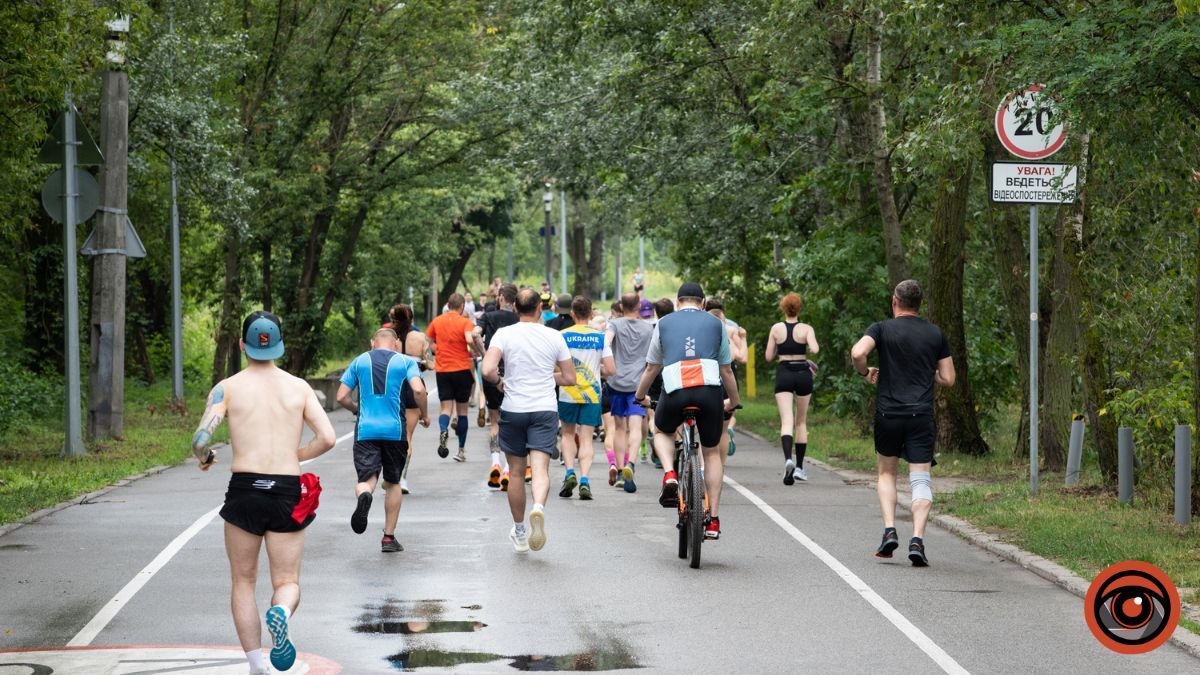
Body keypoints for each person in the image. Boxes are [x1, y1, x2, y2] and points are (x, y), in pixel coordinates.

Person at [190, 310, 336, 675]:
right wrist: (295, 455)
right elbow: (328, 438)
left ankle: (257, 665)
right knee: (286, 581)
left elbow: (200, 440)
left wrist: (206, 457)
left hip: (245, 490)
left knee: (243, 580)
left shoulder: (227, 388)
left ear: (243, 345)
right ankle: (281, 611)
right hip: (286, 488)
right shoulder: (299, 387)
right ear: (279, 346)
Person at [850, 279, 955, 567]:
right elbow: (948, 378)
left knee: (886, 473)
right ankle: (917, 540)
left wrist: (865, 372)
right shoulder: (935, 333)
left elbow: (858, 353)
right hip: (920, 415)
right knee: (920, 479)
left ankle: (889, 530)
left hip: (888, 414)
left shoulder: (881, 329)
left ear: (895, 301)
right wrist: (929, 373)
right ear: (919, 304)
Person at [635, 283, 739, 540]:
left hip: (675, 390)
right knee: (711, 452)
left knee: (662, 430)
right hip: (709, 391)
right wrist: (734, 401)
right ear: (703, 303)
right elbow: (726, 370)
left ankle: (670, 473)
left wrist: (639, 396)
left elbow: (652, 368)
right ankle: (713, 520)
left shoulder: (663, 324)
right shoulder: (716, 324)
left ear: (678, 302)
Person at [481, 288, 577, 552]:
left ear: (515, 308)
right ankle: (538, 508)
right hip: (544, 408)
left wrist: (500, 381)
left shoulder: (504, 334)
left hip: (514, 408)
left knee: (515, 472)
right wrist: (547, 377)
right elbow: (570, 378)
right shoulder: (554, 336)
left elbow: (487, 369)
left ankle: (521, 530)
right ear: (539, 308)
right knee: (540, 469)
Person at [336, 329, 429, 552]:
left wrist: (356, 409)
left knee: (367, 479)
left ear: (372, 342)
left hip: (366, 430)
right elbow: (418, 390)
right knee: (393, 482)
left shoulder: (359, 361)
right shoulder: (406, 362)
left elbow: (341, 396)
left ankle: (365, 494)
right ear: (396, 343)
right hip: (394, 431)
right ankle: (388, 538)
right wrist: (424, 415)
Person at [557, 296, 616, 500]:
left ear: (572, 313)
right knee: (586, 438)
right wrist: (596, 371)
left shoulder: (562, 336)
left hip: (568, 391)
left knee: (567, 434)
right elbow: (611, 370)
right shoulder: (600, 337)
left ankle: (569, 472)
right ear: (591, 313)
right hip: (592, 393)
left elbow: (556, 366)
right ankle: (584, 480)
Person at [765, 293, 820, 484]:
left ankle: (788, 459)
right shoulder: (806, 328)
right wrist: (806, 344)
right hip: (803, 373)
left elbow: (768, 357)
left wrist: (779, 347)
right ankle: (800, 467)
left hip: (784, 373)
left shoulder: (776, 328)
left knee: (786, 421)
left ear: (783, 308)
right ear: (799, 308)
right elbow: (815, 349)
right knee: (801, 422)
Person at [605, 292, 655, 493]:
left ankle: (619, 470)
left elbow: (606, 342)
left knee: (619, 428)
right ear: (638, 306)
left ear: (621, 306)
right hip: (638, 384)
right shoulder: (648, 328)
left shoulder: (614, 324)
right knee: (635, 427)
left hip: (617, 382)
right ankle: (631, 464)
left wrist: (607, 364)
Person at [473, 283, 520, 490]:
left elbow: (475, 334)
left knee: (494, 421)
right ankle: (509, 469)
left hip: (492, 372)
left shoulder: (488, 316)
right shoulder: (519, 320)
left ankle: (495, 463)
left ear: (500, 298)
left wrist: (485, 355)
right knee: (513, 422)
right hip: (514, 373)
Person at [385, 304, 433, 495]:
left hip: (392, 387)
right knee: (407, 436)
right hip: (413, 385)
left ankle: (390, 474)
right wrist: (422, 363)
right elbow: (431, 364)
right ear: (411, 319)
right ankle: (401, 478)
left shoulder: (387, 338)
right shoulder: (420, 338)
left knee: (391, 434)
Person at [426, 293, 479, 462]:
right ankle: (461, 450)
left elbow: (428, 341)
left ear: (448, 305)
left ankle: (444, 429)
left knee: (446, 408)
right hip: (462, 369)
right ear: (462, 306)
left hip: (443, 370)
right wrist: (476, 350)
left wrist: (439, 350)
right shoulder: (465, 322)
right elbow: (469, 338)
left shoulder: (436, 321)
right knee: (462, 411)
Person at [704, 297, 748, 458]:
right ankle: (719, 467)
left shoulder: (700, 334)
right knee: (723, 430)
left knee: (703, 427)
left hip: (705, 380)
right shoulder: (729, 332)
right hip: (727, 380)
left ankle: (702, 467)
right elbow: (741, 357)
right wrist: (743, 339)